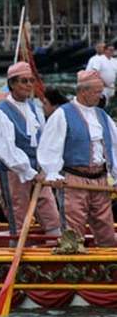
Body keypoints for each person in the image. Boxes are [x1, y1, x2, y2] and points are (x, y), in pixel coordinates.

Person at [38, 69, 117, 247]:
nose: (101, 96)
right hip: (74, 180)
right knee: (73, 231)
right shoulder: (62, 114)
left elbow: (114, 146)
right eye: (97, 92)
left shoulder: (102, 116)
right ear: (83, 91)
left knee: (105, 228)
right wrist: (53, 173)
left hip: (100, 180)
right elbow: (50, 147)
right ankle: (72, 264)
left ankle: (107, 265)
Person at [0, 62, 61, 241]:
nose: (29, 85)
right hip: (13, 172)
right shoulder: (1, 112)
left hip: (37, 173)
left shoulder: (35, 110)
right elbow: (6, 151)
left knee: (52, 216)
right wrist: (28, 171)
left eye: (31, 81)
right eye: (23, 81)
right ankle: (18, 257)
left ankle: (56, 251)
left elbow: (44, 144)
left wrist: (46, 170)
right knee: (19, 220)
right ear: (12, 84)